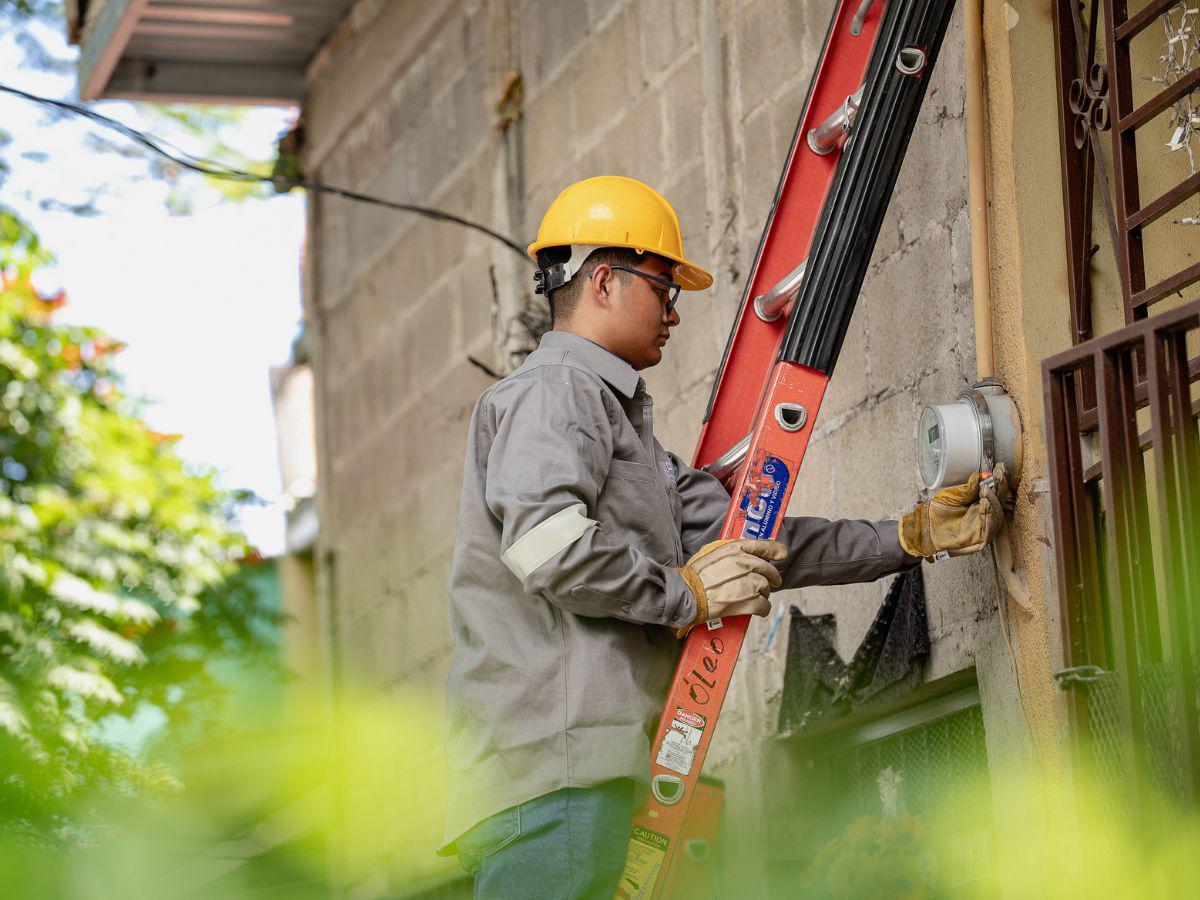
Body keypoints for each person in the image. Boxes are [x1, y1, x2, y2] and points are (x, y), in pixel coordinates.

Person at [440, 176, 1006, 898]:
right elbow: (550, 551)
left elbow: (757, 547)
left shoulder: (624, 435)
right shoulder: (552, 394)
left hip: (578, 780)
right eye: (663, 287)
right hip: (553, 777)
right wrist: (682, 592)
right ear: (604, 281)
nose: (674, 312)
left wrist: (906, 537)